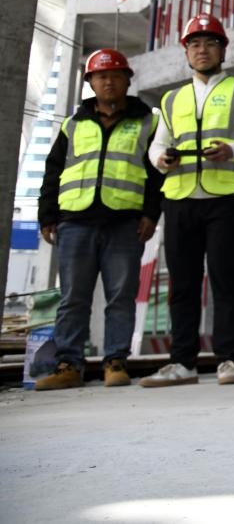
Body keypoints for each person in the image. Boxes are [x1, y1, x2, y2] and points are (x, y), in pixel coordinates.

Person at [139, 12, 234, 387]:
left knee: (225, 281)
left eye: (211, 43)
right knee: (181, 285)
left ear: (222, 50)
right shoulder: (172, 98)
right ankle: (181, 363)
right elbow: (157, 146)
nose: (202, 50)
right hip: (179, 200)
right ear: (186, 52)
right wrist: (161, 160)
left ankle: (228, 359)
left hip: (226, 200)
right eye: (195, 44)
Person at [35, 49, 162, 390]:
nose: (108, 82)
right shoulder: (73, 124)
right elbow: (53, 172)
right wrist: (47, 216)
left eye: (116, 76)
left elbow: (156, 175)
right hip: (75, 221)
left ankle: (115, 362)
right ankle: (68, 365)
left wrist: (151, 214)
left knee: (120, 296)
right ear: (90, 82)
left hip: (125, 222)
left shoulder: (147, 122)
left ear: (127, 81)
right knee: (73, 298)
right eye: (101, 76)